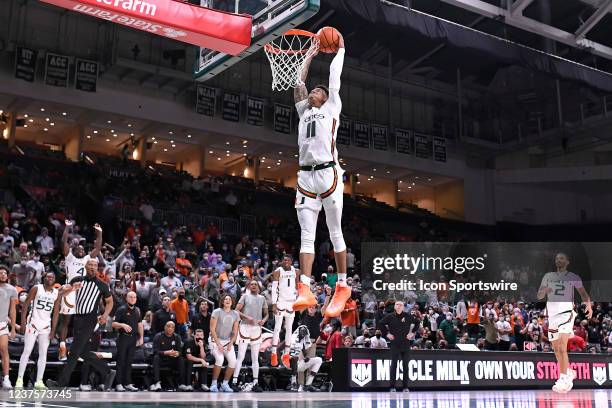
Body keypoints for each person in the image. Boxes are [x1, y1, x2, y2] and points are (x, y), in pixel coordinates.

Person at [291, 30, 351, 319]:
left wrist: (339, 50)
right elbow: (298, 83)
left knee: (334, 229)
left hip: (329, 173)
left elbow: (333, 80)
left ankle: (342, 285)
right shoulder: (304, 111)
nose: (314, 92)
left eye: (318, 91)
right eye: (313, 91)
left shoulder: (332, 107)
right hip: (305, 176)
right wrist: (310, 55)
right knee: (306, 235)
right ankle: (304, 287)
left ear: (325, 98)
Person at [47, 258, 116, 390]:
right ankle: (108, 371)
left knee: (73, 352)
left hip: (90, 320)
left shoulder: (102, 284)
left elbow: (110, 302)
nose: (92, 267)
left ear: (97, 268)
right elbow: (63, 293)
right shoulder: (77, 279)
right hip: (77, 318)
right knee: (83, 353)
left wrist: (105, 315)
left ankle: (60, 384)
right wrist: (72, 288)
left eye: (95, 265)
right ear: (85, 266)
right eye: (90, 264)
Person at [537, 252, 592, 393]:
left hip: (566, 313)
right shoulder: (548, 276)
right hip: (552, 316)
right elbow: (539, 295)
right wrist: (545, 290)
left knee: (562, 347)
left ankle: (563, 379)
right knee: (556, 349)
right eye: (557, 258)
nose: (558, 260)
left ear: (567, 262)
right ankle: (568, 372)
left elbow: (583, 294)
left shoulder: (573, 277)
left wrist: (588, 305)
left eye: (561, 258)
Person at [57, 220, 102, 360]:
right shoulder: (69, 257)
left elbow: (98, 247)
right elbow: (63, 242)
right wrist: (67, 228)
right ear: (74, 250)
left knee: (82, 322)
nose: (81, 251)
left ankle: (78, 350)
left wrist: (99, 233)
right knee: (66, 321)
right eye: (78, 249)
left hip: (83, 291)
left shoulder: (88, 259)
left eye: (83, 249)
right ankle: (62, 348)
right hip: (70, 289)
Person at [16, 272, 64, 389]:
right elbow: (26, 305)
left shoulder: (57, 293)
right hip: (32, 324)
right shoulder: (37, 288)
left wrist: (53, 330)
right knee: (27, 351)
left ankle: (39, 381)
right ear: (44, 278)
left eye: (52, 277)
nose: (50, 278)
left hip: (46, 327)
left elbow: (56, 313)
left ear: (54, 280)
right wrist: (23, 323)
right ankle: (19, 379)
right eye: (48, 276)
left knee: (43, 354)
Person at [232, 280, 268, 392]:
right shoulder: (244, 296)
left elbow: (267, 314)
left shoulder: (262, 298)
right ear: (249, 286)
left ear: (258, 287)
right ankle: (234, 382)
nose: (253, 285)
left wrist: (264, 320)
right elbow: (236, 311)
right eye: (251, 284)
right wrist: (247, 317)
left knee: (255, 357)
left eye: (255, 284)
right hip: (245, 327)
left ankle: (255, 383)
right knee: (241, 356)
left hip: (257, 328)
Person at [378, 300, 418, 392]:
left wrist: (412, 333)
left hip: (405, 343)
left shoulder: (408, 316)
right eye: (397, 305)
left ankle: (405, 387)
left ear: (403, 307)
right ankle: (392, 386)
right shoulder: (390, 316)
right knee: (394, 365)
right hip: (395, 344)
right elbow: (380, 323)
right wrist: (387, 334)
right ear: (394, 307)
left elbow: (417, 322)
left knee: (405, 366)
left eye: (400, 305)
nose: (398, 306)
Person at [112, 291, 144, 392]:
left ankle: (128, 383)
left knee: (129, 362)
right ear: (126, 298)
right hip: (123, 338)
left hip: (133, 338)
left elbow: (140, 324)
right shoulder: (121, 309)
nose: (133, 298)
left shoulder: (137, 310)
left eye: (134, 297)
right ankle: (119, 383)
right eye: (130, 297)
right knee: (121, 361)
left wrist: (141, 337)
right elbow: (113, 324)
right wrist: (122, 325)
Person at [270, 254, 298, 368]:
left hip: (291, 302)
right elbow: (273, 288)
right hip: (280, 301)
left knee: (289, 329)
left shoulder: (296, 271)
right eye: (284, 260)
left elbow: (297, 286)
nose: (286, 261)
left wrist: (298, 300)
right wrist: (274, 304)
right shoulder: (278, 271)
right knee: (277, 328)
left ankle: (286, 354)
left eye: (288, 260)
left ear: (291, 261)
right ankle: (273, 353)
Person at [209, 294, 239, 392]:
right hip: (215, 340)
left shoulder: (235, 314)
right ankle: (214, 384)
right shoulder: (217, 312)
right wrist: (218, 344)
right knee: (220, 359)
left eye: (229, 299)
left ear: (232, 302)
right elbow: (212, 329)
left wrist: (231, 343)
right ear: (222, 301)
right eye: (225, 299)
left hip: (227, 341)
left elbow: (235, 332)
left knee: (233, 361)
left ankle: (225, 384)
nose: (227, 300)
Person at [150, 321, 187, 391]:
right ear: (165, 327)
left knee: (181, 359)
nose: (170, 328)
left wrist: (177, 353)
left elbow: (180, 351)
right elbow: (155, 351)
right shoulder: (158, 336)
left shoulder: (177, 337)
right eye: (168, 326)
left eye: (172, 327)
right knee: (156, 358)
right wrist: (166, 352)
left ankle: (182, 383)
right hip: (162, 359)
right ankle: (157, 383)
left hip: (172, 359)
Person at [288, 325, 322, 392]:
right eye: (302, 332)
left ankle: (308, 384)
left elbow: (305, 353)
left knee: (319, 360)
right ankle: (295, 383)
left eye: (304, 333)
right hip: (289, 363)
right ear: (298, 332)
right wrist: (280, 363)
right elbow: (279, 349)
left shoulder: (303, 342)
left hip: (298, 365)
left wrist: (307, 357)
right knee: (294, 358)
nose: (303, 335)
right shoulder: (290, 339)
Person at [0, 265, 17, 389]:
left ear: (7, 275)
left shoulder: (12, 289)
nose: (2, 275)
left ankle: (6, 379)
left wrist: (13, 329)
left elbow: (12, 310)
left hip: (2, 325)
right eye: (0, 273)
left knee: (4, 350)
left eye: (4, 273)